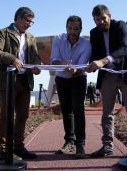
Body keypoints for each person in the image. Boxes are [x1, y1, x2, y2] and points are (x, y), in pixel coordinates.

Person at [86, 4, 127, 158]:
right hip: (107, 75)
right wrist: (88, 65)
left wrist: (104, 60)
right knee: (107, 113)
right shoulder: (94, 33)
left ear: (109, 16)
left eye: (103, 18)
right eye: (97, 20)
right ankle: (107, 147)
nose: (101, 22)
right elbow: (94, 54)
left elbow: (125, 49)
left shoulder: (120, 26)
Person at [0, 7, 41, 159]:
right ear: (18, 18)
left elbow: (35, 57)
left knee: (23, 115)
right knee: (6, 116)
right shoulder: (3, 33)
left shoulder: (31, 37)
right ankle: (5, 149)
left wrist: (37, 67)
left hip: (25, 81)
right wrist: (12, 59)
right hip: (8, 81)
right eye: (27, 20)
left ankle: (18, 147)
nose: (30, 24)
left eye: (32, 22)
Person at [50, 15, 91, 158]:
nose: (73, 32)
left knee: (78, 111)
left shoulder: (86, 44)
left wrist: (74, 70)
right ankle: (69, 141)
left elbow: (81, 66)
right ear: (66, 28)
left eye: (76, 29)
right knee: (66, 111)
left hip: (78, 78)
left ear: (81, 29)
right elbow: (54, 61)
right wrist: (62, 64)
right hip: (61, 78)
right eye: (70, 28)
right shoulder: (58, 38)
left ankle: (80, 144)